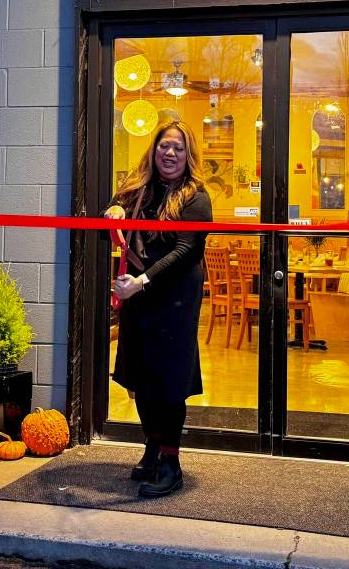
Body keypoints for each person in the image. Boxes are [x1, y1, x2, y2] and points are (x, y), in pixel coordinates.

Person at [105, 120, 212, 497]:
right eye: (165, 146)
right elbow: (113, 211)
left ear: (189, 155)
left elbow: (186, 251)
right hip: (139, 298)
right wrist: (114, 210)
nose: (170, 153)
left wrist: (142, 281)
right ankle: (152, 447)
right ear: (154, 150)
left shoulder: (197, 197)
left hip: (174, 299)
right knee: (141, 378)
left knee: (169, 382)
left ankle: (171, 464)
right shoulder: (138, 189)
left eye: (179, 149)